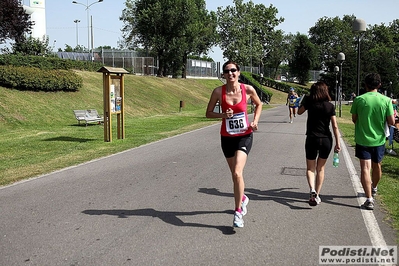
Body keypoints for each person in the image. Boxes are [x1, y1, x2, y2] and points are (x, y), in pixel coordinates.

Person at [205, 60, 262, 228]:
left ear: (239, 72)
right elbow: (208, 113)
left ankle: (238, 212)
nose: (230, 73)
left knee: (237, 173)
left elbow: (259, 104)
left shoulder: (248, 89)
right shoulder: (218, 92)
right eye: (227, 71)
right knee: (234, 175)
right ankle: (243, 197)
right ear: (223, 74)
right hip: (227, 137)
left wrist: (255, 121)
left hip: (244, 136)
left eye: (233, 70)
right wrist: (223, 115)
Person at [350, 73, 395, 210]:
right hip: (379, 139)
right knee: (377, 166)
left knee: (365, 168)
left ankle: (369, 199)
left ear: (365, 85)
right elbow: (391, 121)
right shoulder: (386, 100)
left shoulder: (359, 99)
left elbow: (354, 119)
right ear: (379, 85)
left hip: (363, 138)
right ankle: (374, 187)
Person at [298, 81, 341, 206]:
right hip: (326, 139)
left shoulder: (309, 103)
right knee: (320, 168)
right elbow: (335, 126)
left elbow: (299, 112)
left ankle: (311, 189)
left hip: (312, 138)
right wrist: (338, 143)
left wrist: (304, 101)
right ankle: (317, 193)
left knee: (310, 168)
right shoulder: (329, 106)